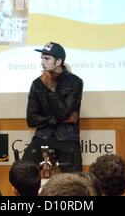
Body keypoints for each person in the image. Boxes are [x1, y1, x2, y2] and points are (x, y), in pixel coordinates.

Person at [22, 42, 83, 173]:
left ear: (58, 61)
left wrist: (50, 88)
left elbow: (63, 112)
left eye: (47, 59)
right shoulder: (37, 84)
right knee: (22, 171)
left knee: (76, 181)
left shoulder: (75, 82)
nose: (42, 63)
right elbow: (31, 120)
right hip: (43, 136)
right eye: (42, 58)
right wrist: (57, 120)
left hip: (67, 137)